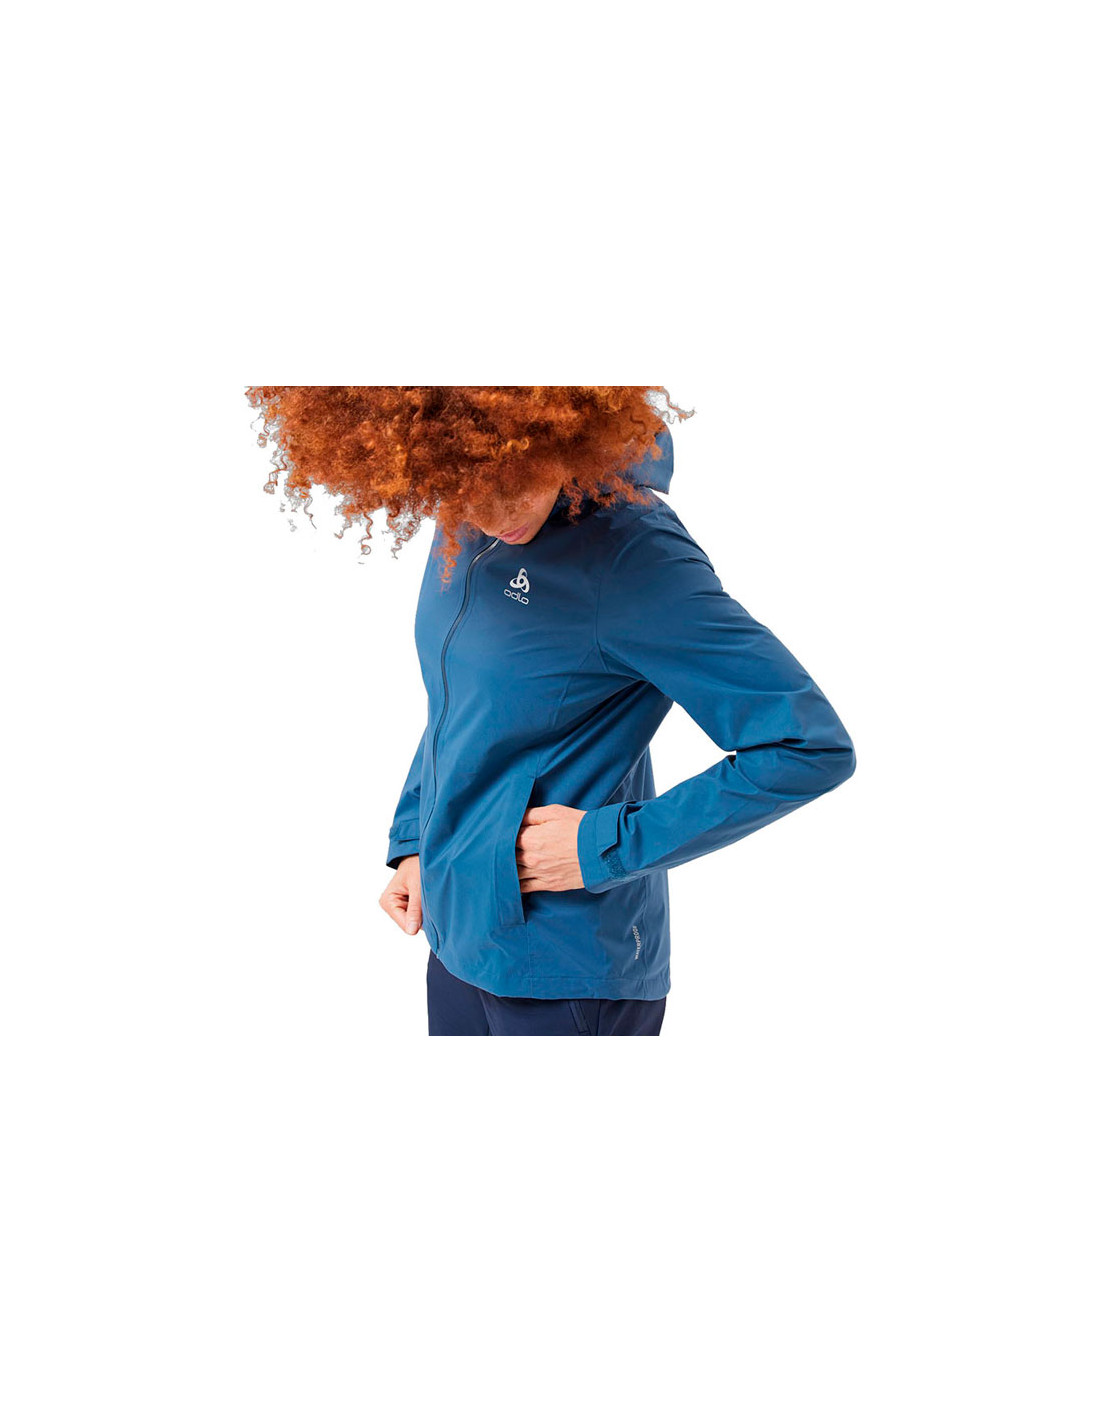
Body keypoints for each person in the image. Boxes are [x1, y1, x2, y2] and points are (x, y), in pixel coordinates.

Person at [245, 386, 857, 1036]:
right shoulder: (465, 503)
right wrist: (415, 841)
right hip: (456, 939)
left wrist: (602, 846)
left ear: (556, 430)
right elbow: (464, 703)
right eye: (459, 491)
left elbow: (807, 746)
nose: (489, 515)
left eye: (506, 479)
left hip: (567, 973)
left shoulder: (634, 558)